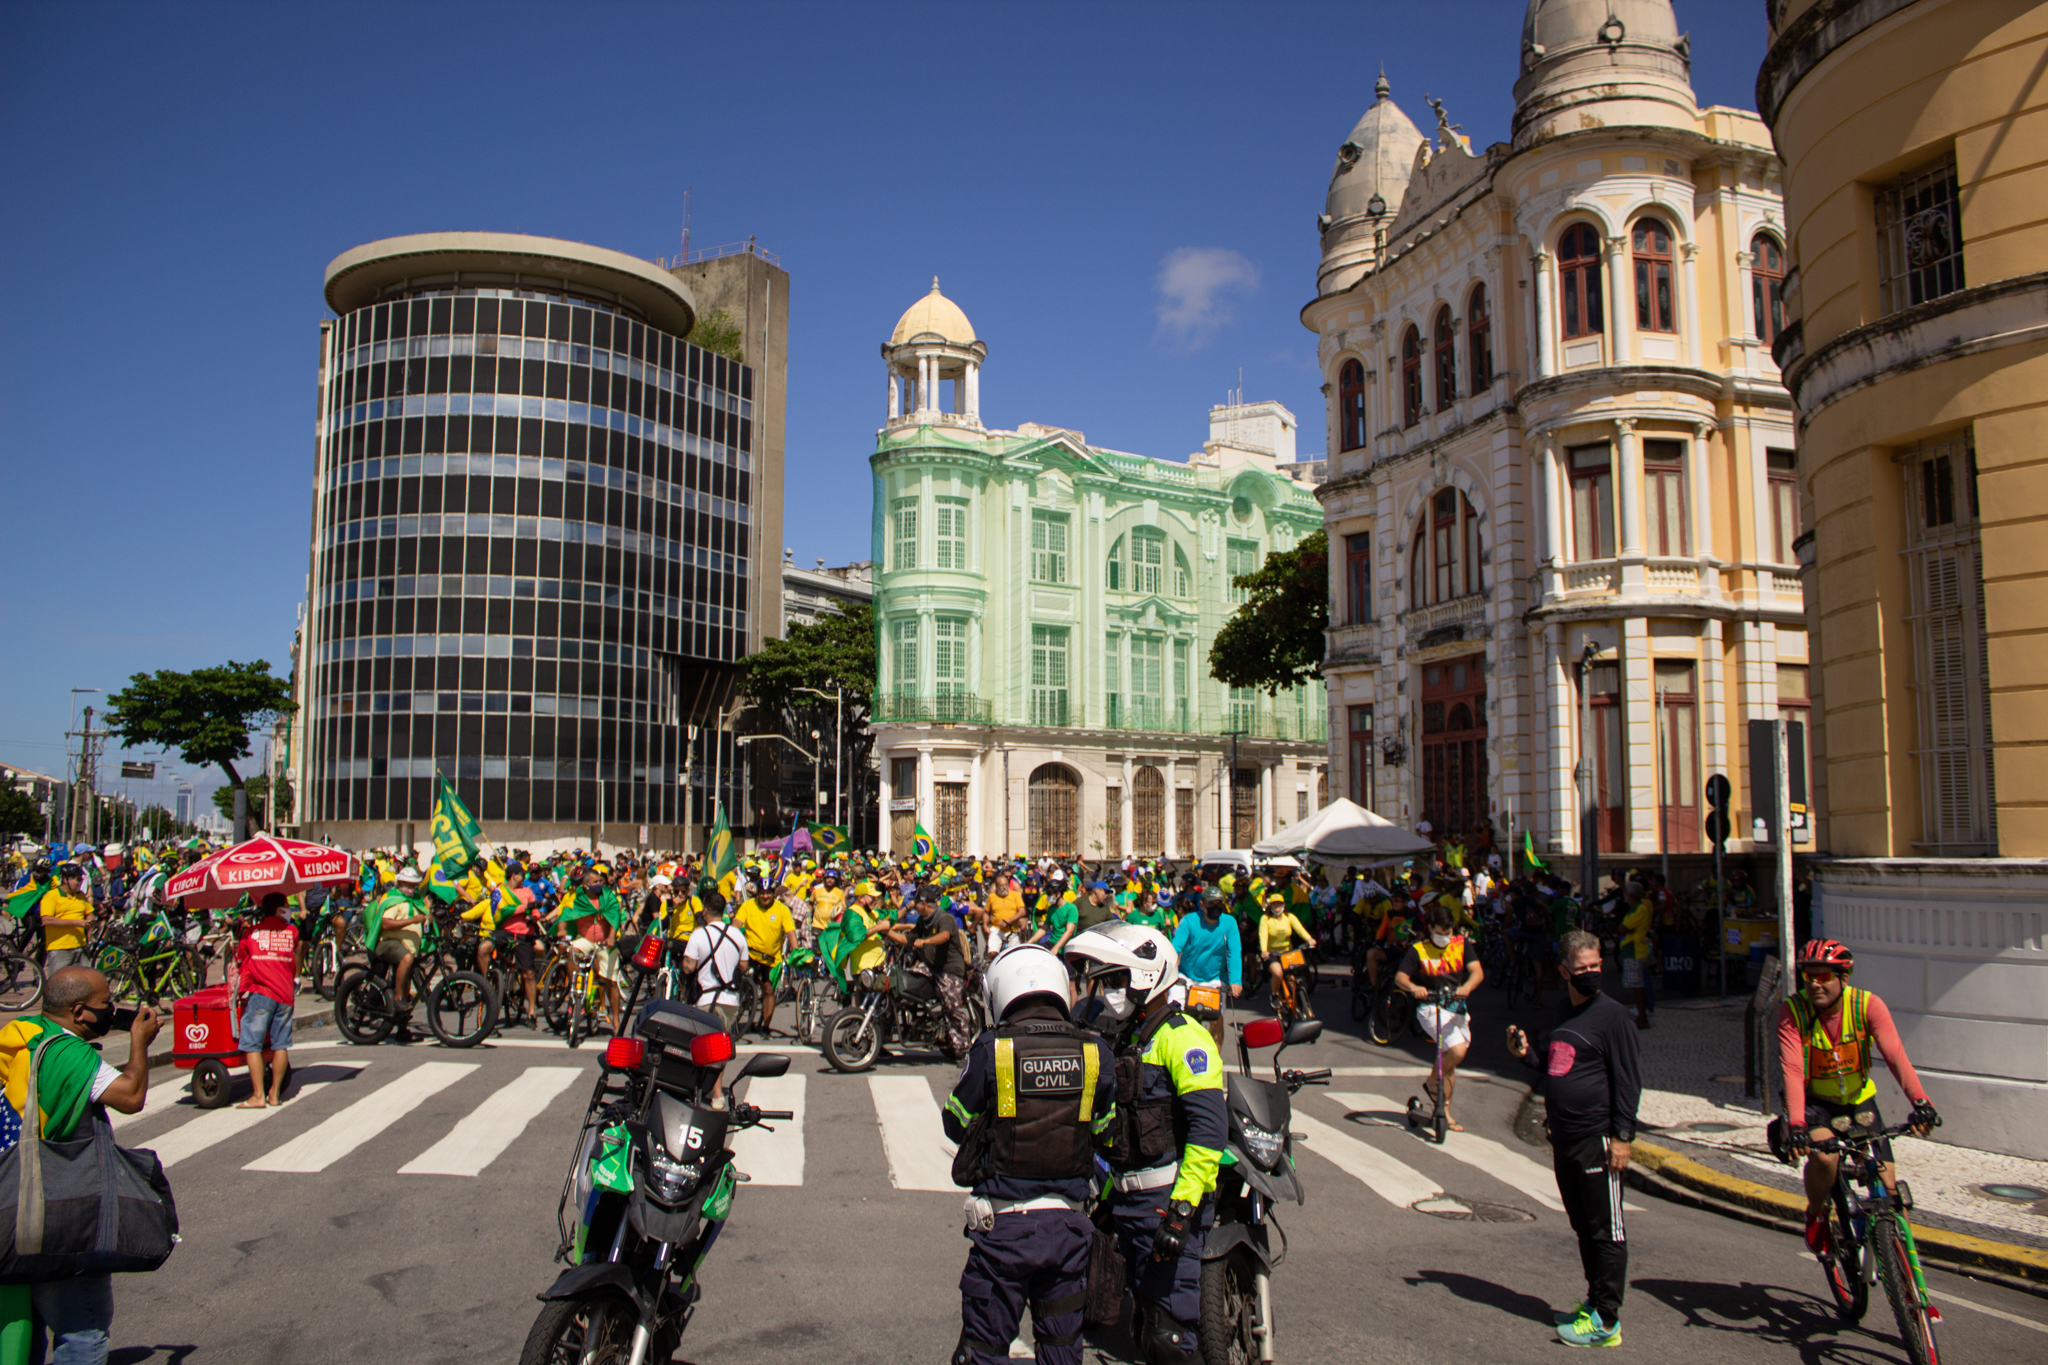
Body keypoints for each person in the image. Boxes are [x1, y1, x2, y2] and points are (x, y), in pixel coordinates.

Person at [942, 944, 1118, 1365]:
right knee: (1061, 1351)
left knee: (984, 1350)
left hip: (1004, 1230)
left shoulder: (992, 1049)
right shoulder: (1096, 1052)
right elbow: (1105, 1133)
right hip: (1070, 1228)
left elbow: (955, 1120)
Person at [1063, 924, 1226, 1365]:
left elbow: (1209, 1130)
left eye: (1116, 980)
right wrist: (1110, 1201)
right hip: (1132, 1203)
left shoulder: (1182, 1036)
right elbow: (1129, 1132)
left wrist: (1183, 1210)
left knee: (1169, 1335)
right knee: (1142, 1322)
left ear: (1145, 978)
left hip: (1166, 1201)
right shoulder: (1134, 1036)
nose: (1109, 991)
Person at [0, 968, 163, 1362]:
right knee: (83, 1330)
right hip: (61, 1214)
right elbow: (130, 1096)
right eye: (106, 1004)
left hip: (13, 1206)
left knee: (28, 1328)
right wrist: (138, 1042)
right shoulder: (69, 1054)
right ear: (78, 1012)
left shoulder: (22, 1035)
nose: (112, 1010)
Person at [1506, 930, 1641, 1348]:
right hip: (1563, 1138)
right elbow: (1555, 1064)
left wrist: (1622, 1137)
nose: (1591, 975)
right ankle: (1593, 1301)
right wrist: (1525, 1054)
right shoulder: (1564, 1009)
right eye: (1582, 969)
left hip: (1596, 1138)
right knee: (1583, 1227)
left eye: (1596, 967)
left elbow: (1628, 1083)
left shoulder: (1615, 1017)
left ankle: (1607, 1319)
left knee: (1606, 1230)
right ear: (1563, 971)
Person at [1774, 938, 1937, 1259]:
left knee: (1889, 1192)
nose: (1816, 984)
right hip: (1815, 1105)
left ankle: (1913, 1292)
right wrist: (1796, 1126)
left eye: (1825, 977)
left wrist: (1921, 1103)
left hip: (1860, 1104)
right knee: (1825, 1158)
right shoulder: (1792, 1012)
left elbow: (1895, 1056)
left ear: (1843, 978)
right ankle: (1817, 1212)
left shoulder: (1866, 1005)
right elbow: (1792, 1070)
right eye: (1810, 977)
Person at [1393, 902, 1483, 1131]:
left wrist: (1468, 987)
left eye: (1448, 933)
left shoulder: (1461, 944)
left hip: (1457, 1007)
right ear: (1430, 928)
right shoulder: (1419, 949)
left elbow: (1477, 972)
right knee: (1456, 1050)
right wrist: (1414, 988)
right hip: (1431, 1007)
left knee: (1450, 1059)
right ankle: (1433, 1082)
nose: (1444, 937)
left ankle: (1444, 1111)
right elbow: (1400, 977)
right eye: (1439, 933)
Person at [232, 893, 298, 1108]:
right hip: (286, 994)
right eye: (287, 906)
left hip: (261, 993)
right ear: (279, 909)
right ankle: (275, 1095)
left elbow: (241, 956)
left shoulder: (251, 933)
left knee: (252, 1045)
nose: (289, 909)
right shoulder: (292, 932)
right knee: (281, 1045)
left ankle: (258, 1096)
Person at [1169, 888, 1242, 1048]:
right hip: (1187, 977)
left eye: (1219, 904)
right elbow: (1176, 947)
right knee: (1173, 1016)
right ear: (1201, 905)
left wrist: (1235, 980)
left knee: (1216, 1019)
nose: (1215, 907)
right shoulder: (1189, 921)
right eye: (1211, 904)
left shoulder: (1229, 923)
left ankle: (1214, 1060)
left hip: (1214, 979)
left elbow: (1234, 952)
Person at [366, 866, 430, 1018]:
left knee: (406, 983)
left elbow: (425, 918)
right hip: (390, 944)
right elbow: (385, 923)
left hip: (408, 947)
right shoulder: (393, 899)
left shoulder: (416, 901)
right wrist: (412, 920)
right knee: (405, 959)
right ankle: (398, 999)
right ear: (400, 884)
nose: (411, 889)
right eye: (408, 885)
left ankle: (402, 1028)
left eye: (414, 885)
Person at [734, 884, 797, 1037]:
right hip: (750, 953)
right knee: (736, 983)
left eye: (768, 893)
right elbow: (737, 923)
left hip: (771, 958)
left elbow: (790, 932)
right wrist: (731, 933)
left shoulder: (781, 909)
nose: (765, 896)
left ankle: (765, 1025)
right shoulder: (748, 905)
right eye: (762, 893)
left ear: (773, 894)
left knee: (768, 990)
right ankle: (737, 1010)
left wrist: (796, 951)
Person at [681, 900, 747, 1035]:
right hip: (730, 1001)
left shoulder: (699, 935)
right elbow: (743, 966)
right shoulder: (737, 935)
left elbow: (688, 967)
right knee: (720, 1045)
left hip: (705, 999)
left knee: (703, 1046)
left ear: (705, 911)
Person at [1255, 893, 1316, 1004]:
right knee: (1278, 973)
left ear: (1284, 905)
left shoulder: (1290, 917)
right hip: (1272, 954)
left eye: (1279, 903)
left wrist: (1309, 939)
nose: (1277, 906)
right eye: (1274, 904)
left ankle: (1296, 1001)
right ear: (1270, 906)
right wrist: (1264, 951)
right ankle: (1274, 995)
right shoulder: (1265, 919)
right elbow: (1263, 935)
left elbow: (1300, 930)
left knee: (1293, 978)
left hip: (1287, 953)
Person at [36, 863, 94, 974]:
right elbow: (46, 920)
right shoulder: (51, 896)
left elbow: (89, 912)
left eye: (80, 879)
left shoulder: (80, 896)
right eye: (77, 879)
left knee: (87, 982)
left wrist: (90, 922)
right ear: (65, 879)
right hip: (60, 948)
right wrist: (74, 922)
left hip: (80, 946)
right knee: (58, 984)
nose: (79, 883)